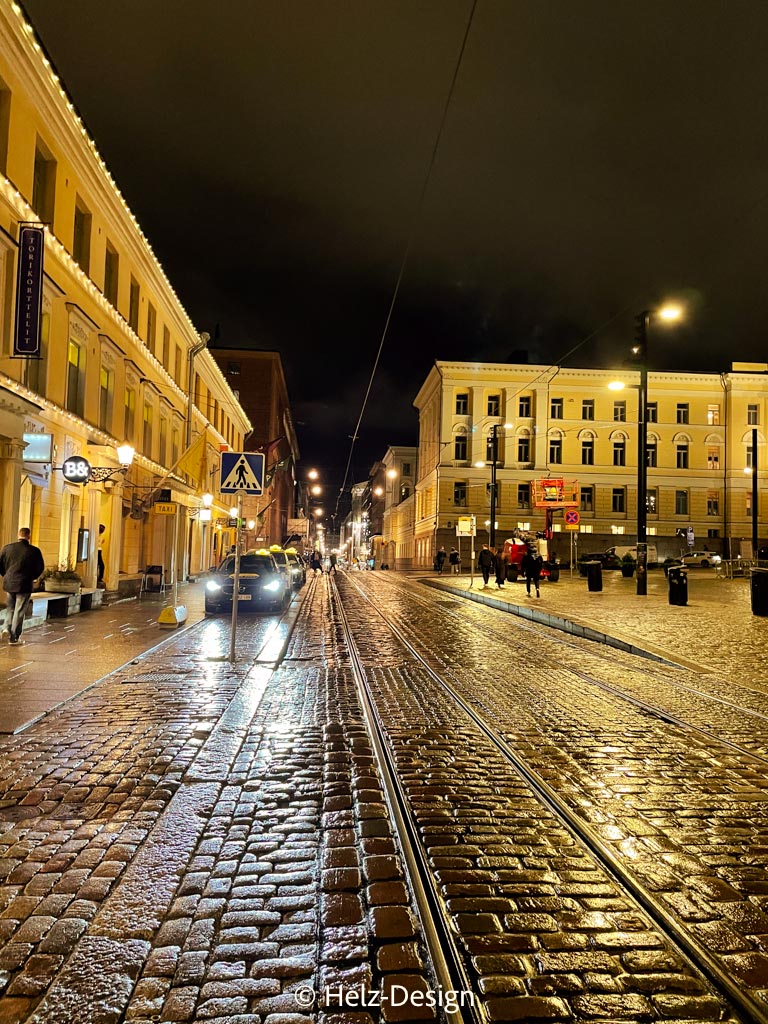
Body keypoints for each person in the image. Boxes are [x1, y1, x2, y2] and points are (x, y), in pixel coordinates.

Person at [0, 527, 45, 645]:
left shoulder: (7, 548)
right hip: (24, 584)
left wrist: (6, 575)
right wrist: (32, 577)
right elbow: (40, 568)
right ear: (29, 536)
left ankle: (5, 628)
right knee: (19, 610)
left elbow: (1, 564)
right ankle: (14, 637)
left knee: (10, 608)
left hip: (9, 583)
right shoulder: (34, 551)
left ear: (18, 535)